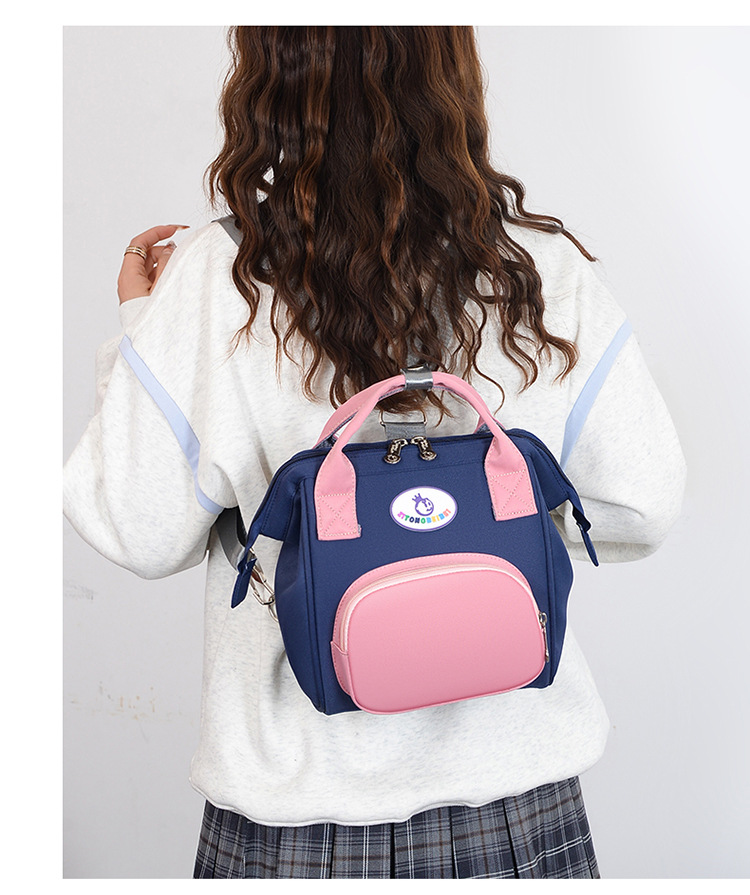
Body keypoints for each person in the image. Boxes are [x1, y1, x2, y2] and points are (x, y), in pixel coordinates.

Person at [63, 26, 686, 879]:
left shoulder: (219, 279)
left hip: (297, 820)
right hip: (516, 805)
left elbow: (136, 526)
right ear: (452, 70)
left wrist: (140, 330)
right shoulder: (537, 272)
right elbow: (643, 501)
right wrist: (484, 530)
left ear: (271, 79)